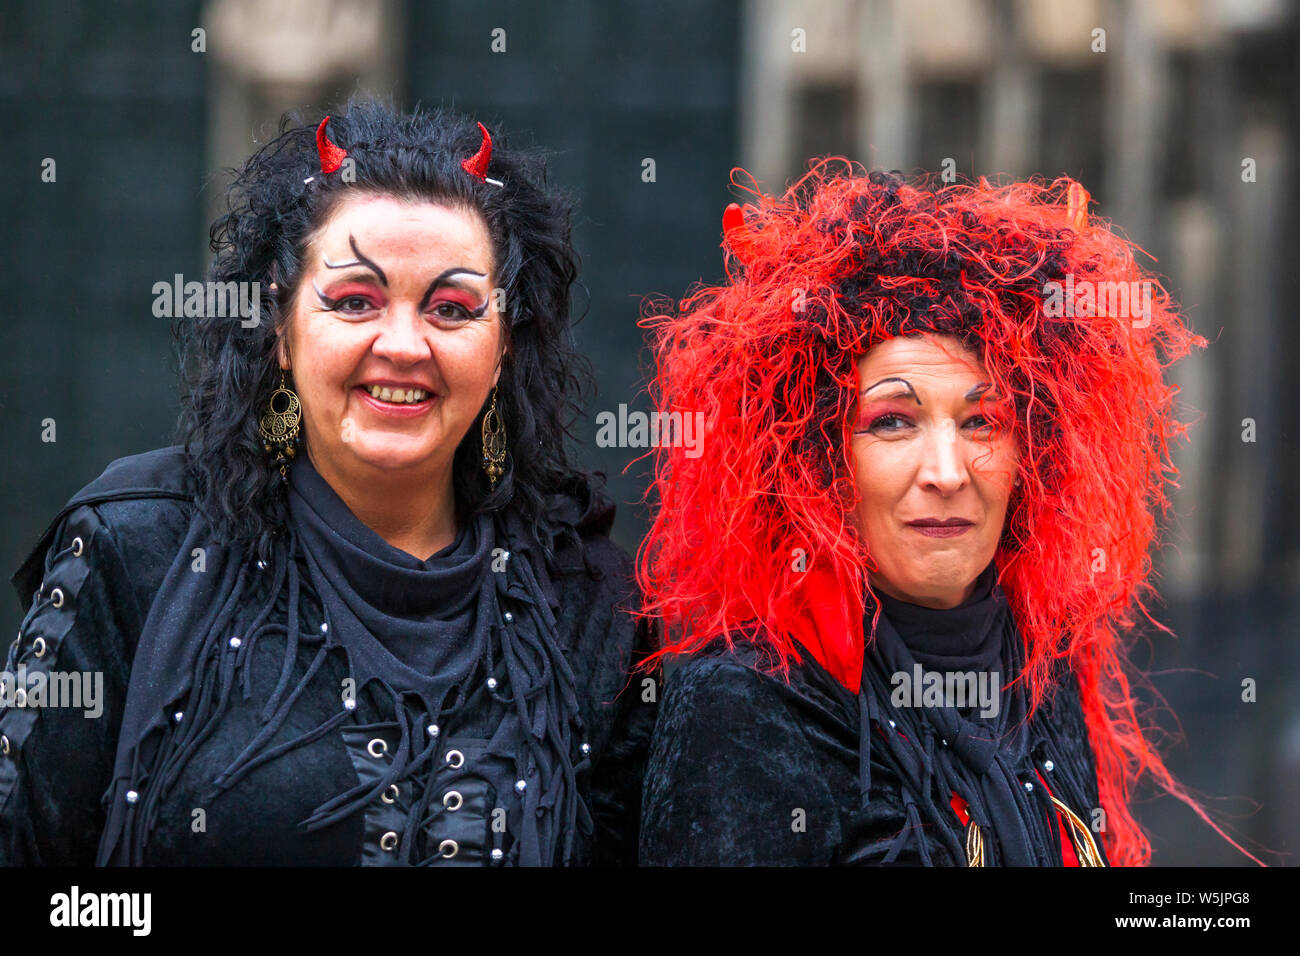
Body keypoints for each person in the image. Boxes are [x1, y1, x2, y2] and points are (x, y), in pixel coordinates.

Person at [1, 98, 655, 866]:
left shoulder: (585, 602)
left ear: (504, 346)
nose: (404, 344)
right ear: (280, 328)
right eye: (355, 301)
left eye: (451, 308)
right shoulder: (138, 550)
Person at [637, 162, 1260, 866]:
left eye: (982, 421)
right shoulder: (743, 707)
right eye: (894, 423)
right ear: (818, 462)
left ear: (1036, 452)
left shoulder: (1043, 671)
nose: (945, 472)